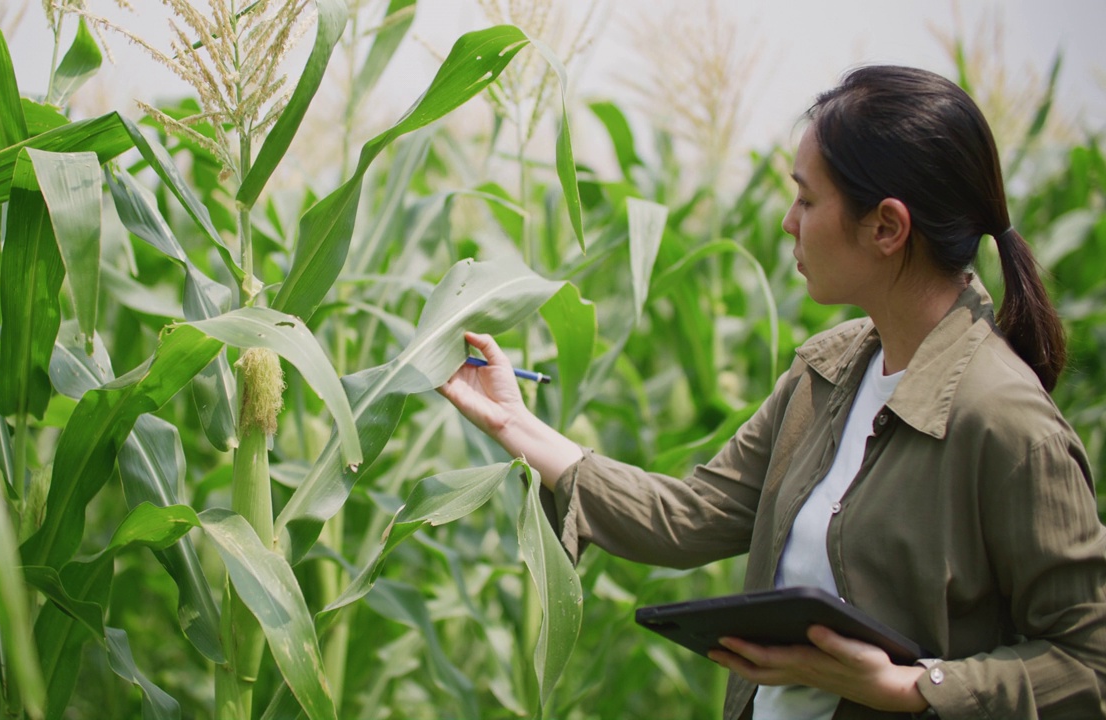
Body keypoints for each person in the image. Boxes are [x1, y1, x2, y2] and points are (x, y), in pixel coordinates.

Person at [438, 65, 1106, 719]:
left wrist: (911, 688)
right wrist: (510, 420)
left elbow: (1088, 660)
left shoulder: (1006, 423)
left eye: (808, 200)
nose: (788, 221)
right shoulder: (830, 371)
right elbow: (692, 513)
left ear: (887, 227)